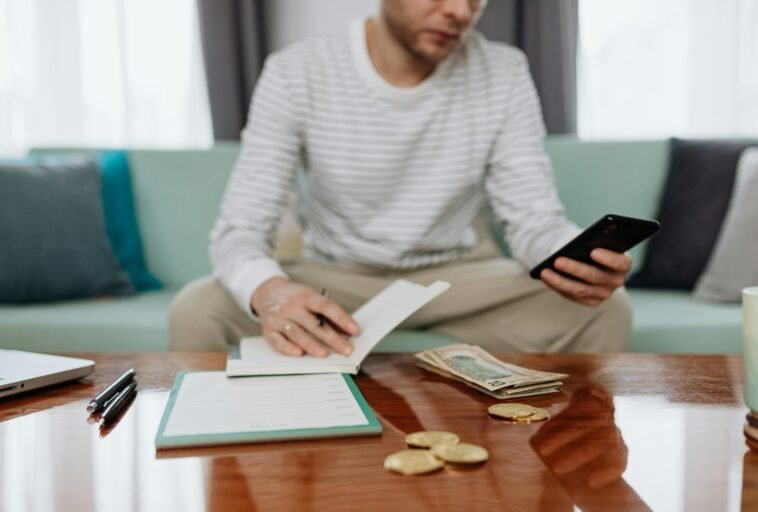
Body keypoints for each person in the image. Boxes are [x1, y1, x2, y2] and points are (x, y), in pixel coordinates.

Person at [169, 0, 633, 355]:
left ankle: (562, 470)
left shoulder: (504, 72)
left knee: (606, 310)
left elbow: (534, 221)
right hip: (336, 277)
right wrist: (271, 293)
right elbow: (238, 230)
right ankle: (227, 470)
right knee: (197, 310)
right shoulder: (296, 71)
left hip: (457, 280)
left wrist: (574, 255)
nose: (459, 11)